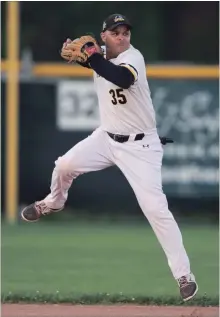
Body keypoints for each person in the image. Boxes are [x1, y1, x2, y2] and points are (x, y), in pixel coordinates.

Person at [21, 13, 198, 301]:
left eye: (125, 32)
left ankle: (183, 275)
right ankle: (52, 203)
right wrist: (73, 52)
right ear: (104, 36)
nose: (122, 36)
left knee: (156, 209)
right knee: (64, 165)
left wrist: (90, 57)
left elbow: (122, 78)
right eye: (115, 32)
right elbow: (84, 56)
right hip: (106, 137)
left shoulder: (134, 57)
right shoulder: (98, 55)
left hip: (141, 147)